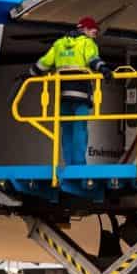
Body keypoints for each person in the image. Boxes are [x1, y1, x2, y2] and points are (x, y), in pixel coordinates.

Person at [29, 16, 113, 166]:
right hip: (81, 94)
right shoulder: (87, 43)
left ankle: (69, 164)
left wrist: (29, 74)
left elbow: (44, 63)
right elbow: (93, 60)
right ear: (85, 30)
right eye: (94, 30)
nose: (95, 33)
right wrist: (104, 69)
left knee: (66, 130)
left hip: (63, 95)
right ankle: (79, 165)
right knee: (80, 129)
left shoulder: (59, 44)